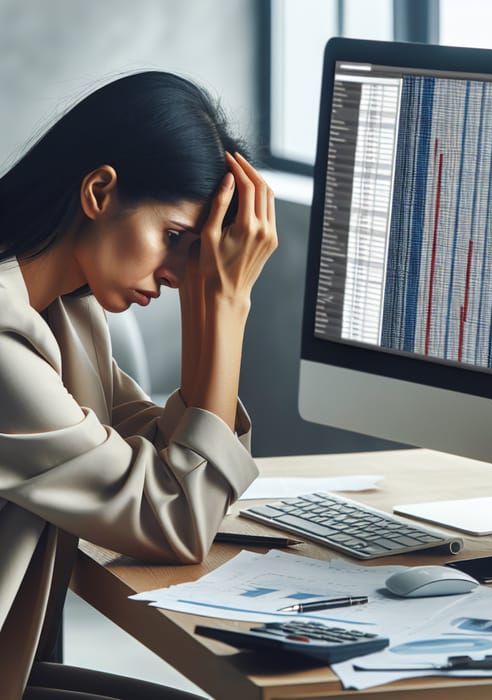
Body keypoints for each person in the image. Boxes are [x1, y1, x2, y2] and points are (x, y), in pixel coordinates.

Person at [0, 71, 277, 699]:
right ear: (99, 191)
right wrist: (226, 305)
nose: (180, 273)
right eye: (175, 238)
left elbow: (158, 458)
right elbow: (176, 521)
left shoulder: (63, 307)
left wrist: (205, 292)